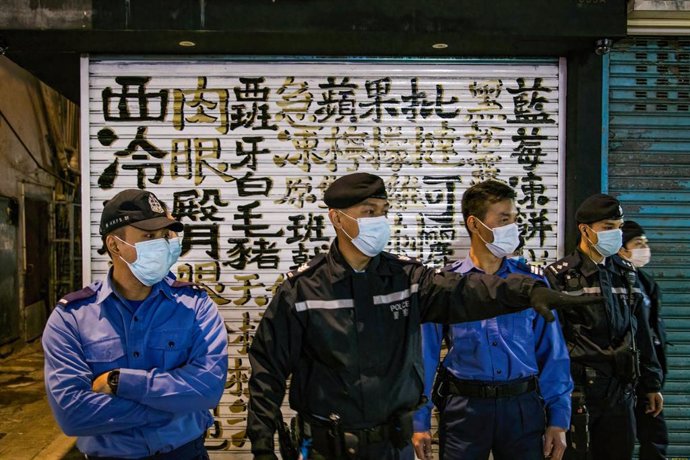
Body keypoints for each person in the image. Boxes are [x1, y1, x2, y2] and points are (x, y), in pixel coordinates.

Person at [247, 172, 601, 460]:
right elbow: (268, 372)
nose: (379, 221)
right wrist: (263, 447)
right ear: (337, 218)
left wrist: (525, 291)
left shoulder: (406, 279)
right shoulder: (302, 291)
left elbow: (462, 291)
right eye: (368, 211)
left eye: (383, 210)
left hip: (393, 445)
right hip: (328, 445)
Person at [42, 189, 229, 460]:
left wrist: (120, 382)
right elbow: (73, 415)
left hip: (185, 454)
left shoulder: (195, 306)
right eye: (149, 236)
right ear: (115, 245)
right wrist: (175, 405)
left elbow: (208, 388)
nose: (163, 244)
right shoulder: (71, 318)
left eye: (165, 236)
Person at [412, 180, 572, 460]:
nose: (514, 228)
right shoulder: (445, 287)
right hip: (465, 408)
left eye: (514, 219)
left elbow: (553, 355)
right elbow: (424, 358)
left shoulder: (531, 283)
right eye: (504, 219)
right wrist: (419, 420)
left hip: (522, 406)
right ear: (475, 225)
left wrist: (558, 419)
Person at [545, 194, 664, 460]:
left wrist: (651, 383)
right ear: (585, 230)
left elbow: (641, 331)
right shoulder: (560, 277)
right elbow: (553, 344)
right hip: (579, 394)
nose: (616, 234)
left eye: (619, 227)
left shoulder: (626, 272)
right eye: (608, 228)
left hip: (621, 393)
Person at [619, 220, 669, 460]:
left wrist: (654, 381)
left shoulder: (646, 282)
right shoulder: (614, 283)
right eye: (638, 243)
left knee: (655, 439)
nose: (644, 249)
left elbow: (652, 334)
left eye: (645, 243)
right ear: (621, 249)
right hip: (622, 380)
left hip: (647, 377)